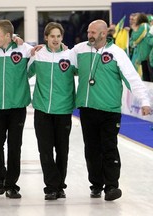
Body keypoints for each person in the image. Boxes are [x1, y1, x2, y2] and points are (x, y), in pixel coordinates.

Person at [71, 19, 151, 201]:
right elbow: (61, 62)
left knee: (109, 148)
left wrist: (145, 101)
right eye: (88, 32)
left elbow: (132, 79)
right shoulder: (79, 50)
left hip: (110, 110)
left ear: (103, 33)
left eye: (93, 32)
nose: (89, 35)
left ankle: (112, 187)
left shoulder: (116, 53)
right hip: (87, 108)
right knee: (91, 149)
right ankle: (96, 185)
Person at [0, 19, 32, 199]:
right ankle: (0, 178)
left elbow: (40, 55)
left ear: (9, 36)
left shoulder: (23, 49)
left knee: (14, 146)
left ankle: (11, 184)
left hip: (17, 107)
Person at [27, 22, 77, 200]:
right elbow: (24, 72)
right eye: (52, 36)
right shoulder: (38, 55)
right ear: (46, 37)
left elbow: (84, 73)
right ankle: (51, 187)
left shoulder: (70, 56)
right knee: (45, 150)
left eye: (58, 36)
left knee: (62, 150)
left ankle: (59, 185)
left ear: (62, 38)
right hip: (42, 109)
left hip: (63, 110)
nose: (55, 39)